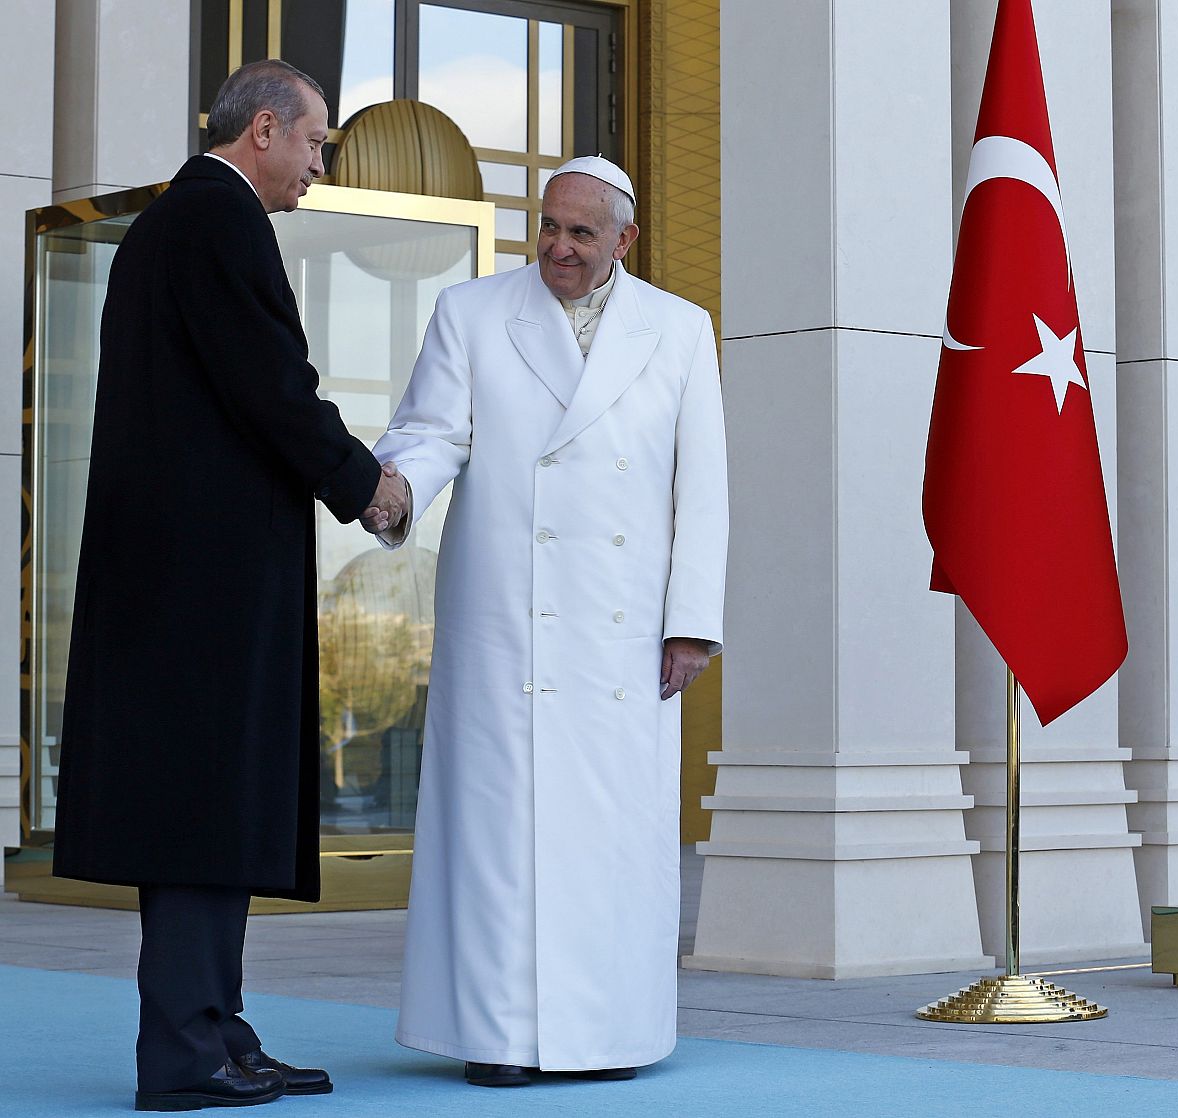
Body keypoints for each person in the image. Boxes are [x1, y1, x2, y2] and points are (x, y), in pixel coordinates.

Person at [50, 60, 406, 1111]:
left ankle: (217, 1030)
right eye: (316, 142)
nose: (319, 166)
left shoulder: (180, 220)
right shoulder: (217, 218)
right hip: (201, 584)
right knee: (204, 809)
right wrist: (366, 486)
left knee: (212, 806)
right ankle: (187, 1051)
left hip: (184, 577)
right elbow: (272, 384)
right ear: (264, 130)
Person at [370, 155, 727, 1087]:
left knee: (611, 836)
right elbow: (433, 431)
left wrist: (691, 622)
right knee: (499, 834)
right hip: (505, 621)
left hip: (622, 632)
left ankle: (607, 1035)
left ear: (625, 239)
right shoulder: (471, 312)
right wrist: (395, 489)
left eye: (581, 232)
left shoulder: (681, 329)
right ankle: (499, 1036)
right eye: (549, 226)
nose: (558, 247)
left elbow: (703, 487)